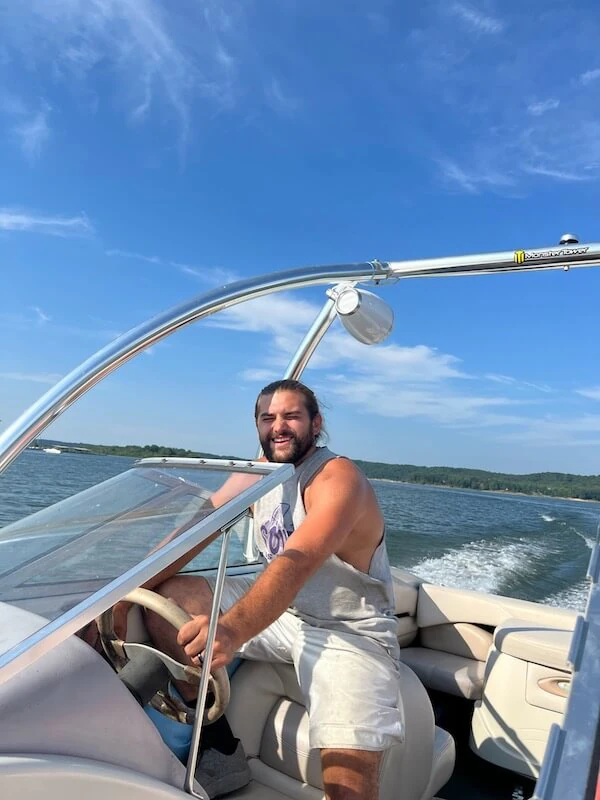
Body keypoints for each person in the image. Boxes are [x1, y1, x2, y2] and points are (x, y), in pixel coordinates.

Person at [145, 379, 403, 800]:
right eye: (268, 418)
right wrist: (126, 587)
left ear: (315, 424)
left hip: (348, 631)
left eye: (291, 416)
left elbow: (295, 562)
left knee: (348, 787)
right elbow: (194, 530)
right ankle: (213, 740)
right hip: (287, 616)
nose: (278, 427)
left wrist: (229, 629)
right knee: (169, 596)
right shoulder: (260, 471)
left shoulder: (337, 478)